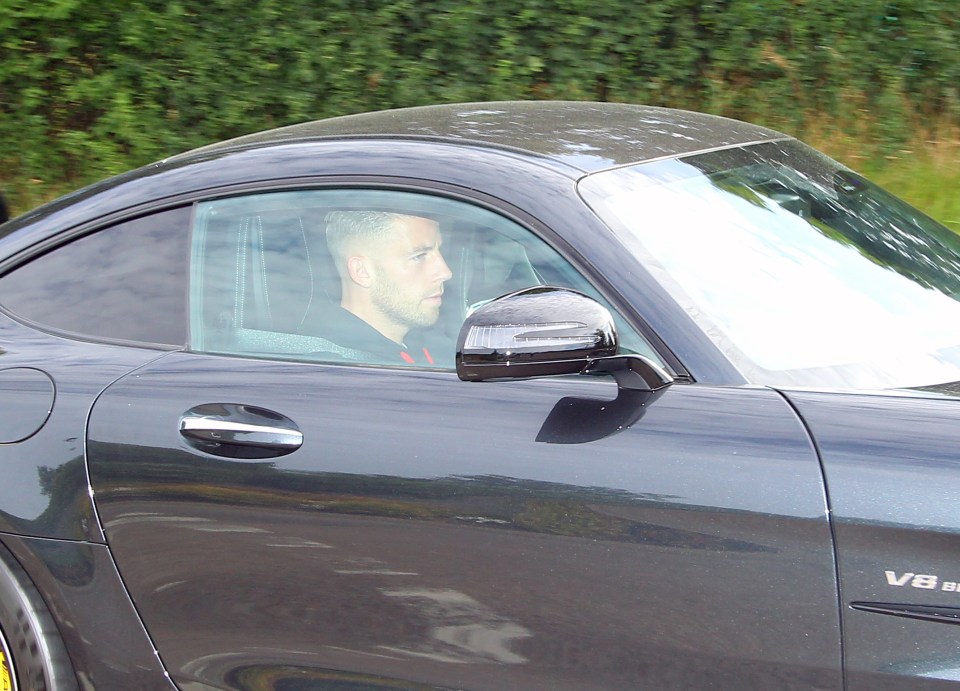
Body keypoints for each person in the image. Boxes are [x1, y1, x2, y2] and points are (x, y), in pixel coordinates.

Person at [302, 210, 453, 365]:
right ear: (362, 271)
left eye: (439, 250)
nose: (446, 272)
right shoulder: (333, 368)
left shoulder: (430, 346)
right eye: (419, 256)